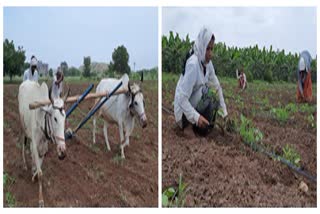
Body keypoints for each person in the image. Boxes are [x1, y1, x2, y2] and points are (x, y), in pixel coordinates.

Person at [174, 27, 228, 134]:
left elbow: (217, 86)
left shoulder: (207, 64)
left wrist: (224, 113)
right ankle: (187, 126)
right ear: (202, 46)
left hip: (193, 102)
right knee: (206, 93)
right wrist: (197, 117)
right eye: (207, 49)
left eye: (212, 49)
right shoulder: (193, 64)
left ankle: (201, 126)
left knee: (213, 95)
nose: (210, 53)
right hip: (182, 110)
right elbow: (181, 98)